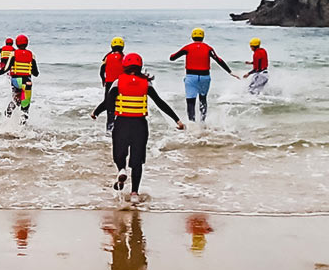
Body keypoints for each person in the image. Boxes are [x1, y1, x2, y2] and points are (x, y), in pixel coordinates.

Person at [91, 53, 184, 201]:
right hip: (140, 125)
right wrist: (177, 120)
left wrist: (96, 112)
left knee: (119, 153)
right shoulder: (146, 83)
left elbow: (108, 102)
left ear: (124, 66)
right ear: (140, 66)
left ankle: (121, 169)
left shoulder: (117, 82)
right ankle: (134, 193)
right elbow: (160, 103)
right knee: (137, 161)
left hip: (122, 123)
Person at [169, 27, 239, 122]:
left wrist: (173, 55)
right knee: (203, 99)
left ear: (192, 37)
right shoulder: (208, 48)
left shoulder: (187, 47)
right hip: (205, 77)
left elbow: (172, 58)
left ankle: (192, 123)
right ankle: (202, 121)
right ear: (203, 37)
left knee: (190, 101)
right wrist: (230, 72)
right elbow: (218, 60)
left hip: (191, 77)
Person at [0, 34, 38, 122]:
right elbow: (36, 73)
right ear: (27, 44)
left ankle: (7, 117)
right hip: (27, 83)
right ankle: (22, 129)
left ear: (16, 44)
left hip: (16, 81)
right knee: (25, 106)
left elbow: (6, 69)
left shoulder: (13, 54)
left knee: (16, 99)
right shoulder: (32, 55)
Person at [99, 36, 126, 133]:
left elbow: (101, 71)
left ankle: (109, 129)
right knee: (121, 106)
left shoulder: (107, 57)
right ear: (122, 47)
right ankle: (120, 129)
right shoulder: (124, 58)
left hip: (110, 84)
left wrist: (103, 79)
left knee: (109, 107)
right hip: (121, 84)